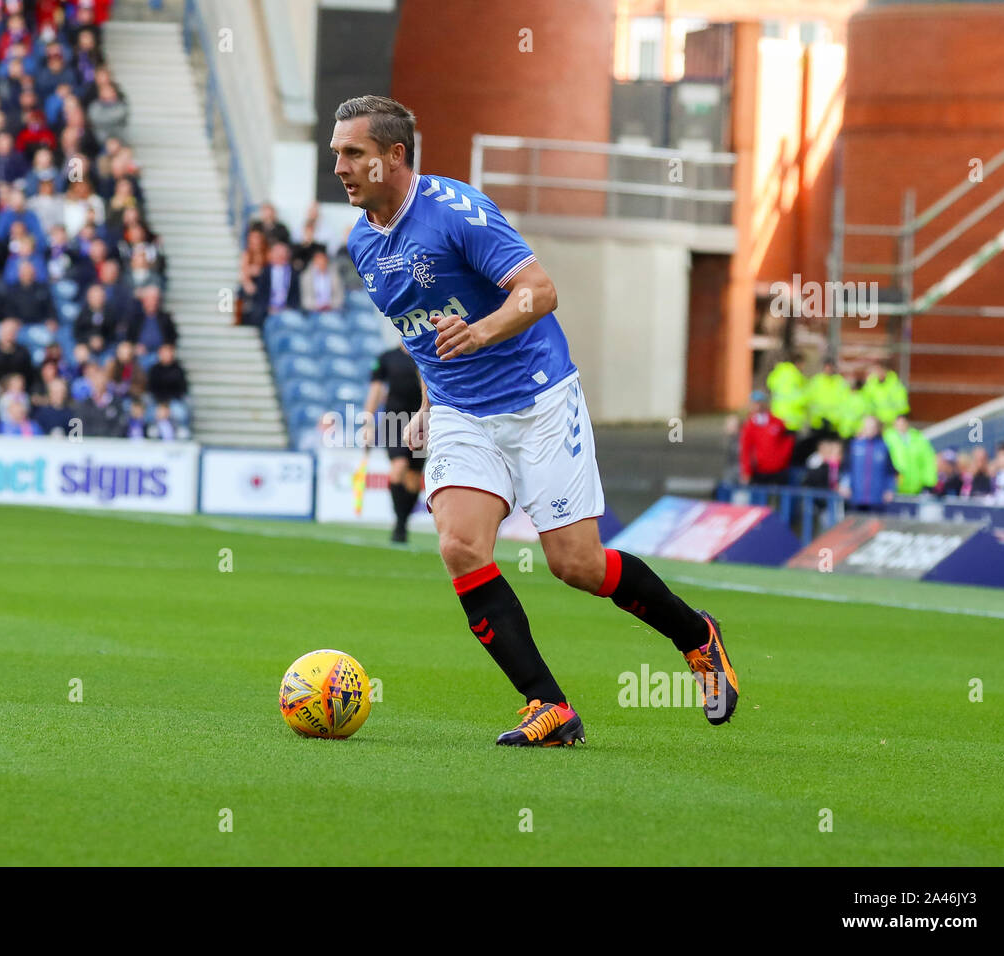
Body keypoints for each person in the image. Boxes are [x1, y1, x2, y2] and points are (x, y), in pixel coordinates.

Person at [333, 95, 737, 745]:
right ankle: (548, 707)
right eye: (337, 154)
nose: (341, 167)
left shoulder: (456, 213)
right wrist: (432, 406)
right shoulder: (362, 242)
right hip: (463, 409)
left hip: (538, 396)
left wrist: (483, 331)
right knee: (460, 546)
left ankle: (696, 635)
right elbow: (423, 328)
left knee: (575, 564)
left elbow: (539, 290)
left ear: (395, 156)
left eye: (354, 153)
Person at [363, 341, 425, 543]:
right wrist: (368, 422)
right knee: (399, 467)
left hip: (421, 421)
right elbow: (375, 390)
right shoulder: (387, 357)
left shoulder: (424, 354)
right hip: (393, 421)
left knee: (414, 478)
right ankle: (399, 525)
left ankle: (403, 523)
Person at [737, 390, 794, 485]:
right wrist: (747, 471)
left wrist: (782, 458)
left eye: (760, 402)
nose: (758, 405)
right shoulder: (749, 426)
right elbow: (746, 450)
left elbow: (788, 441)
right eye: (754, 403)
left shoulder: (777, 422)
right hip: (760, 471)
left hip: (779, 470)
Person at [840, 415, 896, 511]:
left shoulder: (883, 447)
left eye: (872, 427)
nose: (869, 430)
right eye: (867, 427)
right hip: (856, 496)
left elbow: (890, 472)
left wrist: (890, 489)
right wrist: (845, 485)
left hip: (877, 498)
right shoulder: (854, 445)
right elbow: (847, 468)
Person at [883, 414, 937, 495]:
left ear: (907, 423)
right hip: (895, 485)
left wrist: (929, 482)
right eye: (898, 424)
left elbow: (928, 460)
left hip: (916, 485)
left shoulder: (918, 438)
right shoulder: (887, 438)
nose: (900, 426)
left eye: (902, 423)